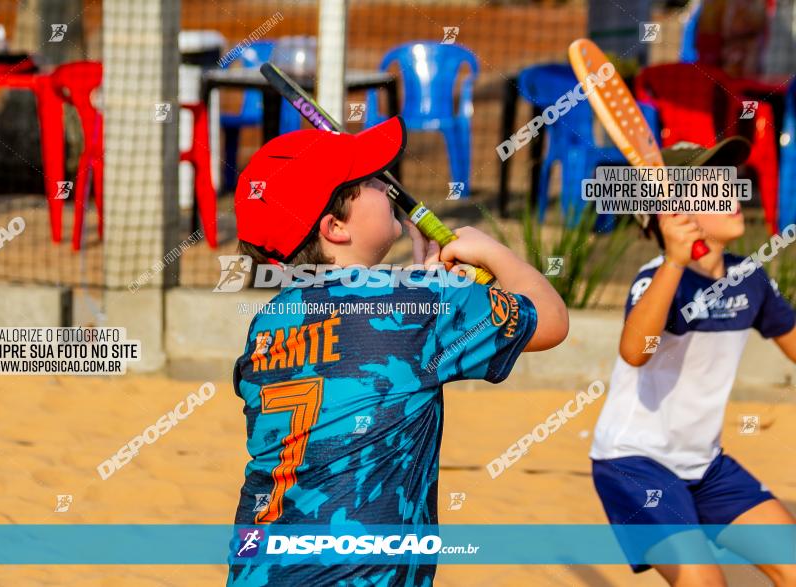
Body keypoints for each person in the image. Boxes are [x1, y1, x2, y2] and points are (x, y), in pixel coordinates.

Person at [227, 116, 569, 585]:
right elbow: (550, 320)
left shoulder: (268, 322)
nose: (386, 185)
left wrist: (425, 285)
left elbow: (364, 346)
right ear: (335, 228)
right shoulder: (421, 306)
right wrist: (493, 253)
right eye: (367, 181)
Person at [590, 137, 796, 586]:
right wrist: (674, 262)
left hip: (704, 464)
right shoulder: (658, 280)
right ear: (673, 214)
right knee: (704, 582)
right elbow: (634, 352)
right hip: (633, 462)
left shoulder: (749, 277)